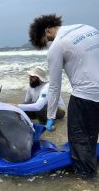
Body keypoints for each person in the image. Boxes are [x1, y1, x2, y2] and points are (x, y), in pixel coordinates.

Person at [29, 14, 99, 178]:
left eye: (46, 40)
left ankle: (86, 181)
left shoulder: (57, 45)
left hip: (85, 97)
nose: (49, 44)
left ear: (47, 30)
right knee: (91, 136)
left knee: (79, 142)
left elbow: (54, 86)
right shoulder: (88, 28)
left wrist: (51, 116)